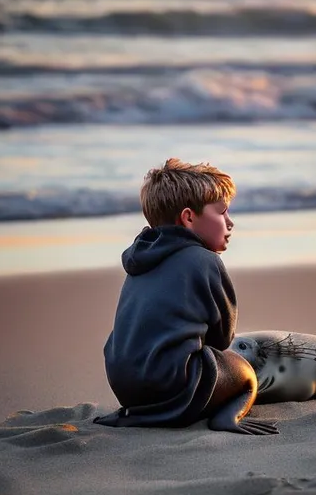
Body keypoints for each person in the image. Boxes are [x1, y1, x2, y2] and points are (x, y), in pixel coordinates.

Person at [94, 158, 278, 435]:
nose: (230, 222)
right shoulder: (205, 261)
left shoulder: (138, 259)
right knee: (244, 372)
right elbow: (222, 339)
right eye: (222, 213)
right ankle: (227, 418)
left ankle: (136, 412)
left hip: (125, 387)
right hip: (175, 386)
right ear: (189, 217)